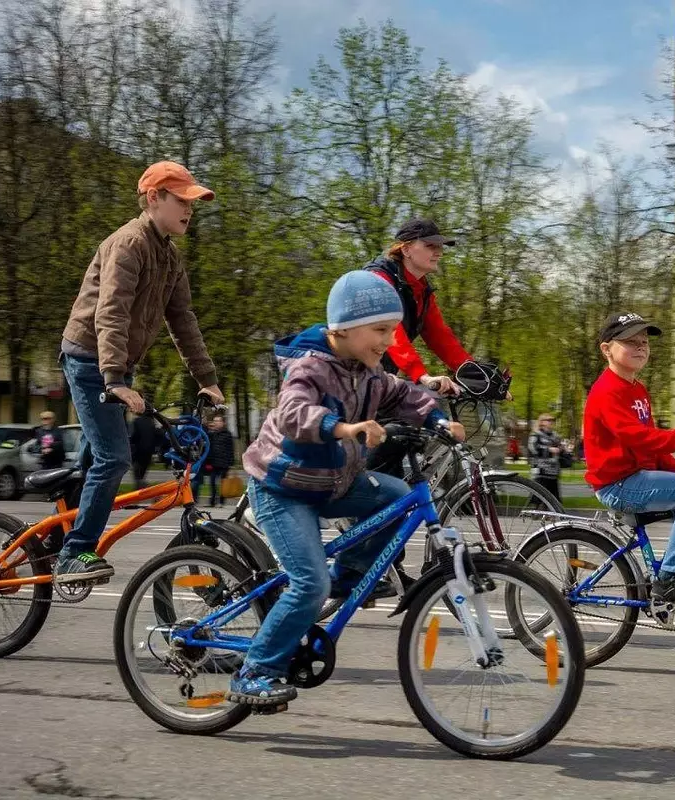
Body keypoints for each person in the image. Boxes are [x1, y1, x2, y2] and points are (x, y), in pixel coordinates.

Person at [232, 270, 466, 706]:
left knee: (398, 496)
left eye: (392, 330)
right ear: (343, 328)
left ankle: (351, 575)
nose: (388, 340)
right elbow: (293, 414)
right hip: (283, 488)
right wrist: (344, 428)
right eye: (380, 330)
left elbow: (403, 394)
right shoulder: (309, 366)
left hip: (333, 483)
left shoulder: (369, 372)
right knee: (308, 583)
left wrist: (437, 420)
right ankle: (255, 672)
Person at [55, 161, 225, 584]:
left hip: (117, 365)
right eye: (182, 200)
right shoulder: (128, 244)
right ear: (154, 198)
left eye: (193, 202)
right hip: (90, 358)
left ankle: (63, 521)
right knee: (114, 457)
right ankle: (74, 553)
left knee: (98, 455)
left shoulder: (169, 257)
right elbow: (109, 313)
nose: (190, 209)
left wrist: (207, 378)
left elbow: (183, 320)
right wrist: (113, 379)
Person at [583, 312, 675, 609]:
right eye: (630, 342)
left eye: (644, 342)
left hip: (636, 477)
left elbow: (654, 448)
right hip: (617, 484)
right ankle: (671, 581)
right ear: (606, 349)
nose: (640, 347)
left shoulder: (638, 389)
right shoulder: (606, 391)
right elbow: (641, 439)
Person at [363, 218, 473, 395]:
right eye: (431, 246)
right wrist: (421, 375)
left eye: (440, 247)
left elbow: (440, 337)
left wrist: (477, 374)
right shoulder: (378, 280)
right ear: (406, 249)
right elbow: (391, 331)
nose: (439, 252)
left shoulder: (421, 291)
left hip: (379, 380)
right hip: (347, 378)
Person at [196, 413, 235, 506]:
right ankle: (212, 501)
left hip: (224, 463)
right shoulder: (211, 434)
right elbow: (208, 449)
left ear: (223, 423)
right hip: (213, 463)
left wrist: (230, 463)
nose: (216, 423)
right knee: (212, 483)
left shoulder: (227, 434)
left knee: (223, 483)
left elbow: (231, 449)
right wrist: (208, 462)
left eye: (218, 421)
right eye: (215, 421)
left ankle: (221, 501)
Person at [527, 413, 563, 500]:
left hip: (553, 473)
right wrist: (549, 449)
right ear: (542, 422)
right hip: (540, 472)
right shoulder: (536, 434)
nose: (551, 422)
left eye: (552, 420)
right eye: (548, 420)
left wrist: (561, 449)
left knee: (553, 501)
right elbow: (533, 448)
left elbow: (560, 449)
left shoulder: (555, 436)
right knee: (540, 499)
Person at [128, 410, 158, 489]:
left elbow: (134, 436)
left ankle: (140, 486)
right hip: (149, 450)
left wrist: (131, 444)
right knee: (143, 469)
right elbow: (157, 435)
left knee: (136, 469)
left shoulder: (136, 421)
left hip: (138, 449)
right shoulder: (151, 422)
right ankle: (141, 483)